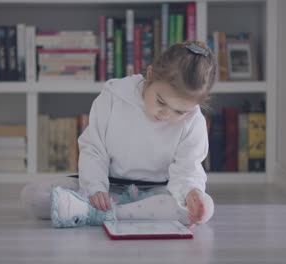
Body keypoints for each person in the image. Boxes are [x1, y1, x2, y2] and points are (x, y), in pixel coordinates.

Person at [21, 40, 217, 228]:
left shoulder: (193, 121)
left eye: (179, 112)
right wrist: (95, 189)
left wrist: (191, 192)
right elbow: (94, 148)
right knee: (32, 196)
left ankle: (95, 213)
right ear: (150, 75)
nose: (166, 114)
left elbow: (187, 168)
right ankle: (102, 208)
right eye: (161, 101)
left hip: (156, 192)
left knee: (204, 208)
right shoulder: (114, 96)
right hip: (108, 187)